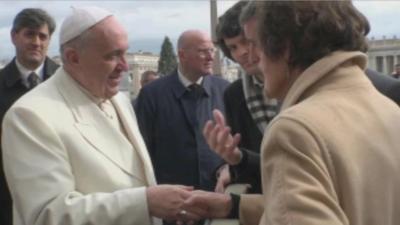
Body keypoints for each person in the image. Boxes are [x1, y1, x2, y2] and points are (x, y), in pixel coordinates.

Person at [185, 1, 400, 225]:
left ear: (284, 46)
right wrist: (234, 206)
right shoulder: (387, 108)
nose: (253, 56)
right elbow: (345, 202)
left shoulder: (294, 130)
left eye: (255, 43)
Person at [1, 6, 202, 225]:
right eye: (113, 56)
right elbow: (47, 215)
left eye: (125, 53)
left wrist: (163, 211)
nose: (124, 67)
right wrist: (144, 203)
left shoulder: (119, 100)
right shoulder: (29, 115)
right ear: (73, 57)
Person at [134, 30, 229, 192]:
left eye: (212, 50)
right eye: (202, 51)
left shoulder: (225, 90)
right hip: (172, 204)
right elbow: (142, 152)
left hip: (219, 197)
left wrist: (228, 169)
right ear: (182, 55)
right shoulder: (152, 95)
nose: (210, 57)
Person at [212, 0, 279, 194]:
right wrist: (230, 165)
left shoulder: (297, 81)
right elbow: (242, 161)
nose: (241, 52)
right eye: (232, 47)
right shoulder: (234, 94)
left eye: (246, 42)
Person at [0, 8, 58, 225]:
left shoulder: (68, 84)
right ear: (14, 36)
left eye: (43, 36)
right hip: (8, 199)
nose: (36, 42)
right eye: (29, 34)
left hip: (58, 196)